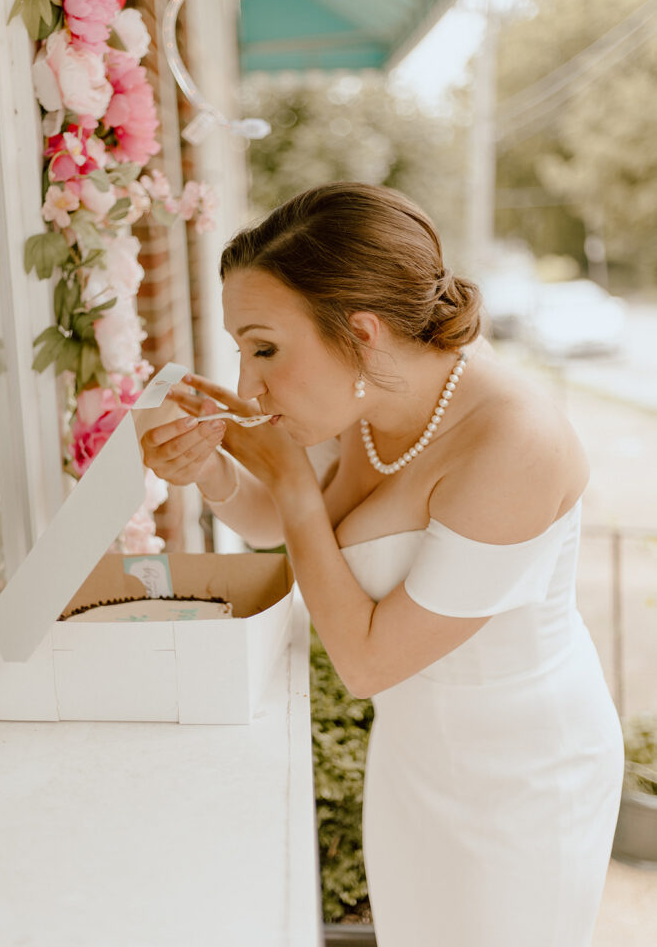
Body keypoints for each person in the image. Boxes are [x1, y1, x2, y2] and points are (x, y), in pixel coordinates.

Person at [142, 182, 624, 947]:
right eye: (241, 352)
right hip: (412, 760)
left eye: (263, 347)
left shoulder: (512, 442)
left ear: (360, 331)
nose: (247, 387)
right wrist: (207, 470)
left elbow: (367, 662)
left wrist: (293, 483)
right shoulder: (371, 399)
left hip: (520, 779)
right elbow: (275, 523)